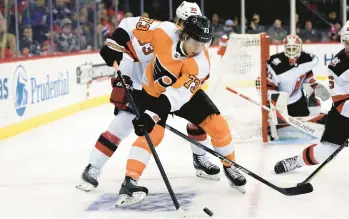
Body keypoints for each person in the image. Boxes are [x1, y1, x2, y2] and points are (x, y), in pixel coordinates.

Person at [76, 1, 220, 193]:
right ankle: (93, 168)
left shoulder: (195, 42)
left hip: (172, 91)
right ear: (178, 20)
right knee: (120, 127)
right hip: (142, 90)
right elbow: (127, 30)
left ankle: (200, 158)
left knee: (198, 119)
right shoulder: (160, 30)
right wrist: (122, 76)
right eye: (185, 22)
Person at [115, 15, 246, 207]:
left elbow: (176, 97)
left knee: (218, 126)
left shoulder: (200, 64)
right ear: (183, 36)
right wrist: (113, 43)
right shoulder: (165, 31)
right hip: (151, 92)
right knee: (152, 135)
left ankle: (229, 165)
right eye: (195, 43)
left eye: (203, 44)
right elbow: (129, 24)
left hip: (181, 96)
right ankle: (130, 182)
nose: (198, 48)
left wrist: (151, 115)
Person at [274, 21, 349, 174]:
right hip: (343, 116)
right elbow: (342, 105)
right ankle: (296, 161)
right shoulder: (338, 66)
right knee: (324, 153)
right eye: (347, 43)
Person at [265, 34, 329, 140]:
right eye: (289, 48)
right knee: (278, 125)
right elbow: (270, 86)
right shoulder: (275, 64)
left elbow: (308, 76)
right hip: (282, 103)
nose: (291, 51)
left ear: (300, 48)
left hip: (297, 100)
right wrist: (273, 106)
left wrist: (315, 86)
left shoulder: (306, 59)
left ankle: (317, 117)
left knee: (311, 104)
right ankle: (274, 124)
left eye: (294, 48)